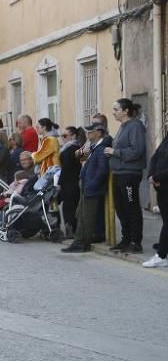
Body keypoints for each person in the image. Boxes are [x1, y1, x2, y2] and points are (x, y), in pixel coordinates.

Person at [105, 98, 147, 254]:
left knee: (132, 207)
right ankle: (126, 239)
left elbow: (137, 151)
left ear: (125, 111)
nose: (113, 113)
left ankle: (136, 242)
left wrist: (115, 152)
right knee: (121, 208)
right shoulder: (123, 126)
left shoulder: (135, 126)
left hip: (129, 173)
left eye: (116, 109)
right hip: (118, 172)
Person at [63, 123, 112, 253]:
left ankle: (82, 243)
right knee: (80, 214)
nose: (87, 134)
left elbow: (102, 171)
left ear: (99, 133)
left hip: (92, 188)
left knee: (87, 217)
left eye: (91, 132)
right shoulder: (93, 146)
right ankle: (79, 241)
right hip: (86, 186)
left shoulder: (101, 148)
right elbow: (77, 155)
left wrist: (91, 184)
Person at [142, 130, 168, 268]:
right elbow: (155, 156)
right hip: (162, 188)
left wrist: (156, 177)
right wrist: (151, 175)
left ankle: (162, 255)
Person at [57, 126, 84, 235]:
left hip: (69, 183)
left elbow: (66, 169)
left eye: (65, 136)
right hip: (74, 181)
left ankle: (71, 230)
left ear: (73, 136)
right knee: (73, 206)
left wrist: (59, 183)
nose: (63, 138)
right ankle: (74, 229)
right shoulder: (76, 147)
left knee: (68, 207)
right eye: (61, 136)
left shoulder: (70, 149)